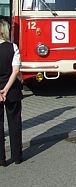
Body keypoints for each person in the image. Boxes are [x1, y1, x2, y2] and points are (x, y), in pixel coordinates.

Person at [0, 19, 23, 166]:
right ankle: (17, 156)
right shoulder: (13, 47)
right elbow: (15, 71)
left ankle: (1, 158)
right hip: (12, 90)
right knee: (14, 122)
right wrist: (6, 89)